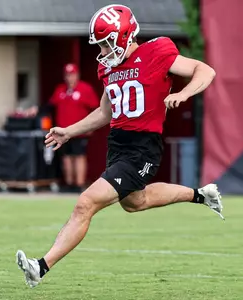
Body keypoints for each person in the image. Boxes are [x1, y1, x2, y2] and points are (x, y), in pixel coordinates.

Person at [16, 4, 223, 288]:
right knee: (135, 202)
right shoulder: (107, 67)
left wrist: (184, 93)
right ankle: (202, 195)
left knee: (85, 203)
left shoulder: (156, 52)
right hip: (118, 145)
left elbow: (205, 70)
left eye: (105, 44)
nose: (101, 52)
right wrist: (69, 132)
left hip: (142, 147)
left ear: (125, 36)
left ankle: (40, 267)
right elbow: (105, 112)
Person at [49, 64, 100, 192]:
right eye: (67, 75)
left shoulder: (85, 89)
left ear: (77, 75)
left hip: (79, 131)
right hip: (63, 131)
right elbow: (50, 106)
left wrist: (91, 126)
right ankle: (69, 183)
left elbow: (97, 108)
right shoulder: (60, 90)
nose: (69, 77)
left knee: (79, 156)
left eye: (72, 74)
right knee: (66, 157)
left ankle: (79, 184)